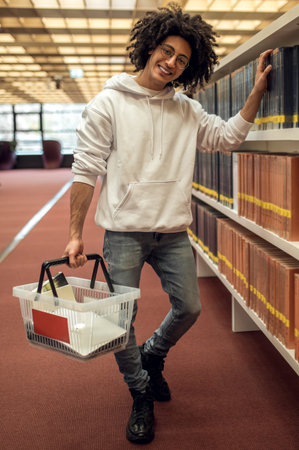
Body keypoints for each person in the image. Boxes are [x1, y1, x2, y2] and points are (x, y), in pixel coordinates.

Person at [63, 2, 272, 444]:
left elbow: (226, 138)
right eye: (166, 50)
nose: (171, 63)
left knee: (191, 307)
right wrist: (75, 232)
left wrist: (255, 93)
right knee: (120, 321)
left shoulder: (187, 110)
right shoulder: (108, 104)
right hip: (124, 232)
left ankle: (152, 354)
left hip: (174, 232)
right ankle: (140, 393)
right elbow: (85, 170)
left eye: (182, 60)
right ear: (148, 47)